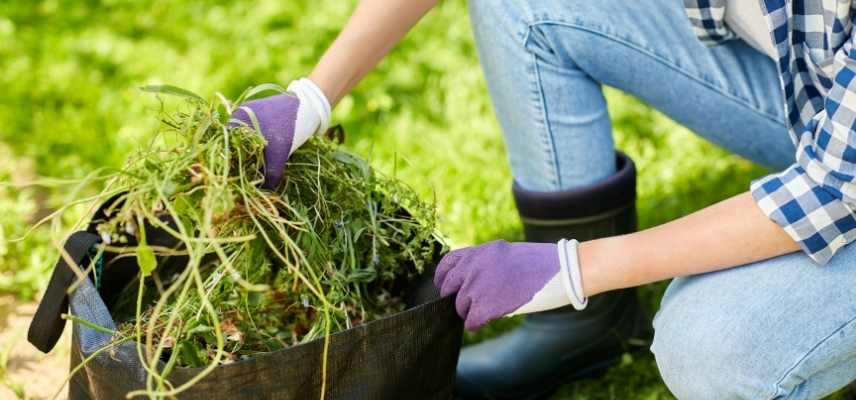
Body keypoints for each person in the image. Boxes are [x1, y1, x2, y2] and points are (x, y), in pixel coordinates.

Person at [231, 0, 856, 398]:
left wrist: (572, 267)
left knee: (711, 346)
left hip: (842, 170)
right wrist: (313, 95)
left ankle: (584, 298)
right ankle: (580, 331)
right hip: (818, 92)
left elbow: (831, 189)